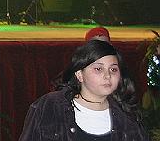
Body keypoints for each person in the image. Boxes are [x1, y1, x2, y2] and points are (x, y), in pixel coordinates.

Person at [19, 39, 149, 141]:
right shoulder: (49, 107)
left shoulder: (128, 118)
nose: (108, 75)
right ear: (79, 74)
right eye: (98, 69)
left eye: (113, 69)